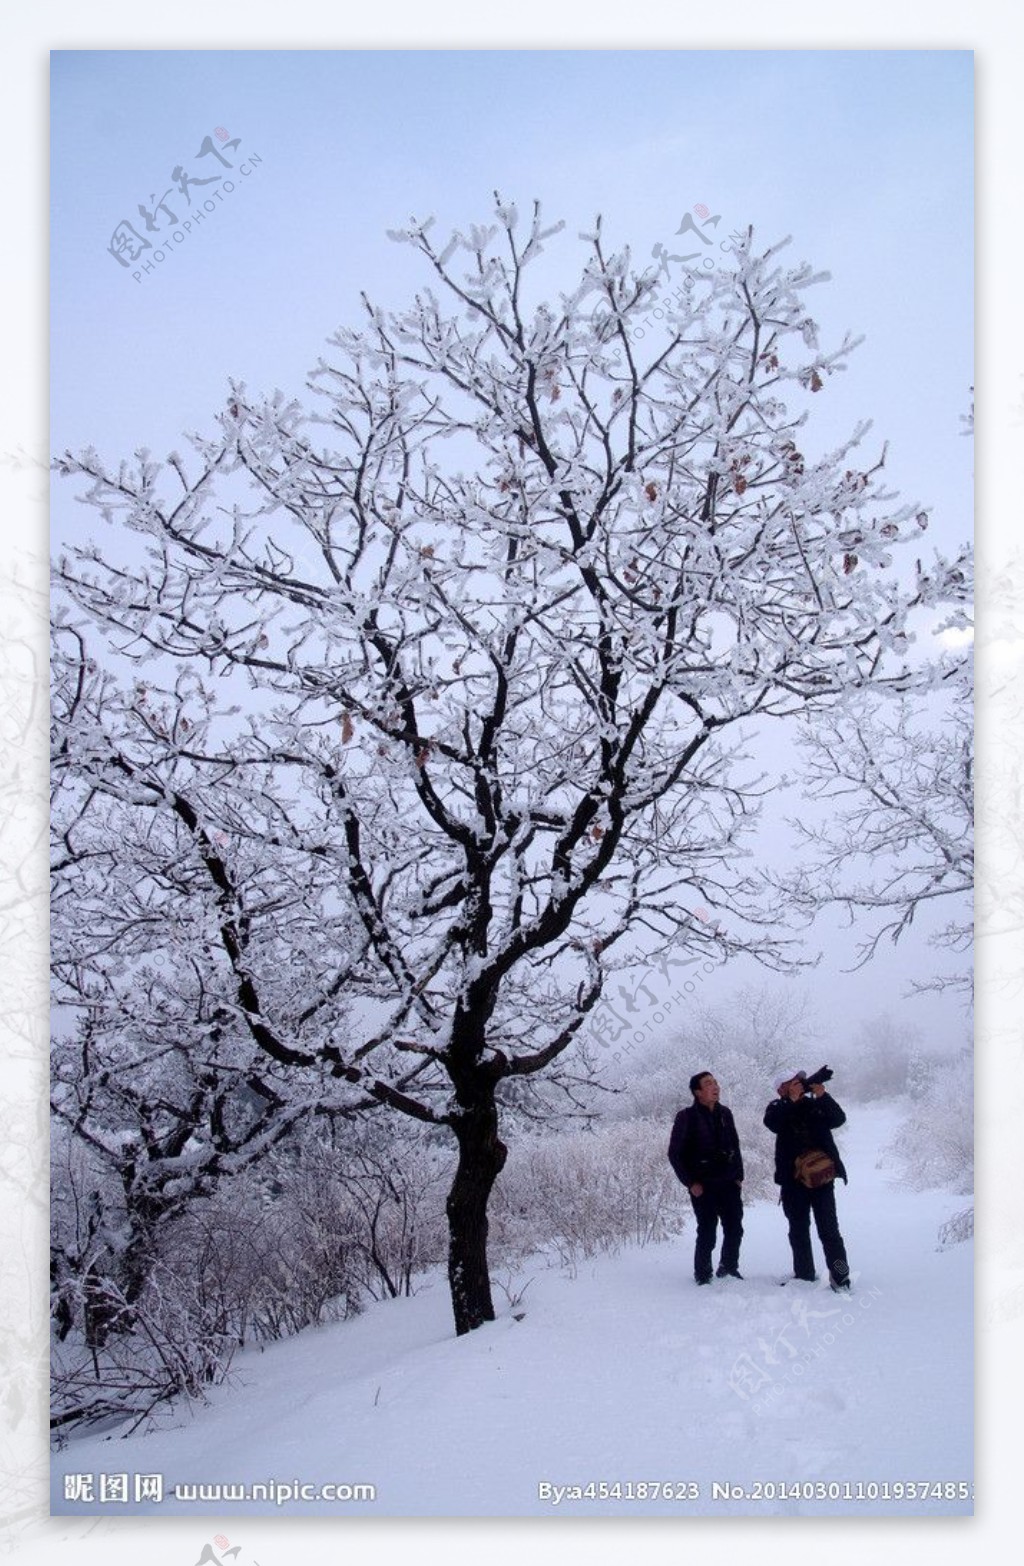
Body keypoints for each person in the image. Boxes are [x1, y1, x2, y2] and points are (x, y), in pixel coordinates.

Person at [763, 1069, 851, 1292]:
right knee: (798, 1229)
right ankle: (804, 1274)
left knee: (830, 1231)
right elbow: (772, 1123)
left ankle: (841, 1277)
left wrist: (822, 1095)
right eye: (792, 1082)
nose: (799, 1085)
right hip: (793, 1183)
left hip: (822, 1180)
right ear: (781, 1088)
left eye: (799, 1082)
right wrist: (791, 1101)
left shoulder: (814, 1104)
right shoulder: (777, 1107)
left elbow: (838, 1119)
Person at [668, 1072, 744, 1285]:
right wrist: (690, 1183)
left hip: (729, 1182)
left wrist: (739, 1176)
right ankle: (703, 1274)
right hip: (703, 1184)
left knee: (735, 1227)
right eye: (709, 1084)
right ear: (697, 1092)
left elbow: (735, 1146)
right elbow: (674, 1153)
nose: (715, 1086)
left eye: (716, 1082)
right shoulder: (686, 1117)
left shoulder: (725, 1114)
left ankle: (729, 1268)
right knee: (707, 1229)